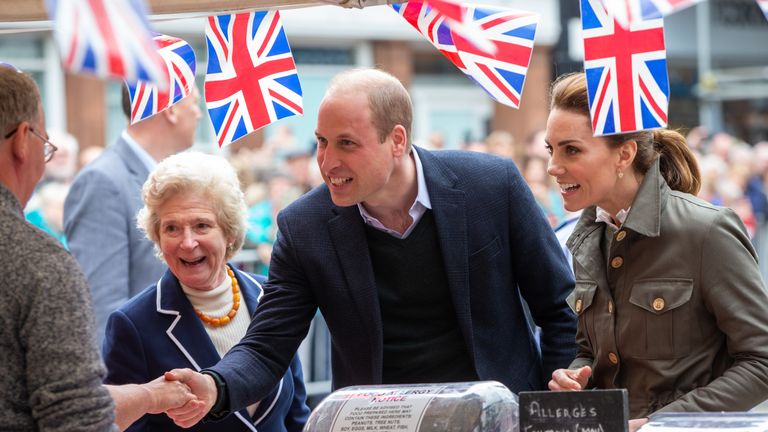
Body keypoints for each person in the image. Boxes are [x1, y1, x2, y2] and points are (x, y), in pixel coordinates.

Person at [164, 67, 577, 427]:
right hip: (380, 422)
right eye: (321, 141)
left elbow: (560, 309)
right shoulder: (304, 226)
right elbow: (267, 347)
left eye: (346, 143)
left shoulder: (492, 185)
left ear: (396, 140)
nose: (326, 161)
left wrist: (550, 413)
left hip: (499, 419)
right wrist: (215, 386)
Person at [545, 73, 768, 422]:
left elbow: (762, 362)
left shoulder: (706, 230)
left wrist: (661, 424)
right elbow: (592, 351)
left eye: (571, 149)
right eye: (551, 148)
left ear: (624, 155)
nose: (552, 166)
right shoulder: (589, 237)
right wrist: (576, 374)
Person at [0, 63, 198, 432]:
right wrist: (140, 399)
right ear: (22, 141)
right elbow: (100, 317)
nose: (200, 111)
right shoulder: (100, 184)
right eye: (45, 146)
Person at [102, 152, 310, 431]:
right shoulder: (134, 324)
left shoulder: (271, 295)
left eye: (201, 225)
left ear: (230, 232)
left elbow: (297, 414)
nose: (187, 243)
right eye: (172, 228)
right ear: (158, 237)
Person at [64, 84, 201, 341]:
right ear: (171, 110)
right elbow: (102, 307)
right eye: (194, 103)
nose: (199, 113)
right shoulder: (103, 181)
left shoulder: (168, 177)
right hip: (139, 371)